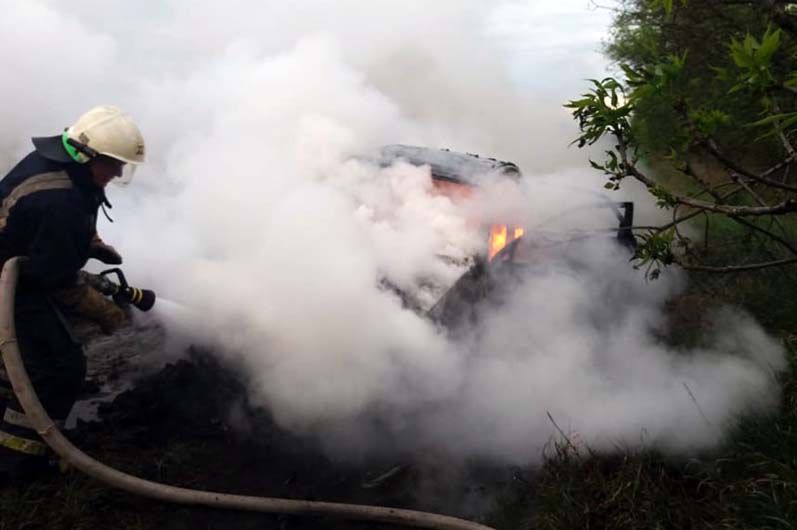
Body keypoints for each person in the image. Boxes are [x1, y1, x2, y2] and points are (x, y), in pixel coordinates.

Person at [0, 105, 145, 480]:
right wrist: (101, 310)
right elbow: (56, 280)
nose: (117, 173)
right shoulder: (59, 199)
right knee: (60, 367)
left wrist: (90, 243)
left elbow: (69, 217)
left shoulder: (66, 166)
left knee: (35, 354)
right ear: (87, 154)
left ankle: (13, 385)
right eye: (112, 164)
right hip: (11, 279)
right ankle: (20, 464)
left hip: (27, 261)